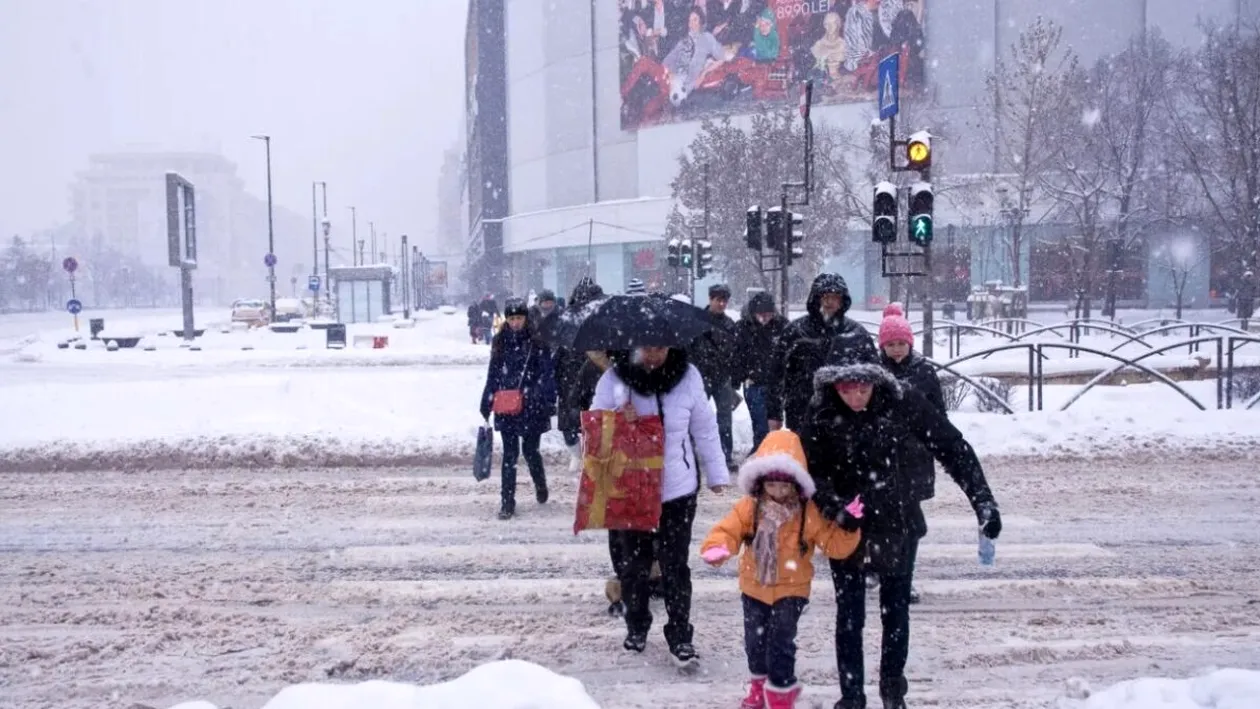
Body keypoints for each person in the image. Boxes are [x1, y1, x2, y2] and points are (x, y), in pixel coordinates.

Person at [803, 345, 1002, 709]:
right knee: (849, 614)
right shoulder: (822, 411)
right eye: (846, 388)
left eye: (863, 387)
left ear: (876, 381)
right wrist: (834, 507)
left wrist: (983, 501)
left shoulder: (901, 401)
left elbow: (952, 447)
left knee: (895, 610)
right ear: (834, 385)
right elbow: (810, 470)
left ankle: (893, 690)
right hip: (846, 526)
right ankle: (852, 696)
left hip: (898, 519)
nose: (855, 396)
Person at [590, 343, 729, 667]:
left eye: (660, 348)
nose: (653, 355)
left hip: (678, 489)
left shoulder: (688, 376)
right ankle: (637, 625)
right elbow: (595, 430)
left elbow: (705, 428)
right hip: (633, 487)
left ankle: (680, 635)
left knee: (675, 566)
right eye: (646, 348)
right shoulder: (614, 380)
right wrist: (618, 420)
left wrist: (716, 472)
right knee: (634, 567)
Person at [700, 430, 862, 709]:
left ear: (796, 485)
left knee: (780, 642)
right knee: (755, 643)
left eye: (784, 486)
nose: (777, 492)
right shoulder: (749, 508)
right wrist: (718, 547)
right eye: (772, 485)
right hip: (753, 586)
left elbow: (833, 544)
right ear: (761, 483)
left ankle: (780, 693)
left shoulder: (807, 513)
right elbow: (727, 530)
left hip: (792, 588)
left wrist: (849, 527)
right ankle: (758, 686)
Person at [877, 302, 944, 605]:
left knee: (911, 525)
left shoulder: (924, 372)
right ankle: (883, 570)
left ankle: (904, 576)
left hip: (914, 459)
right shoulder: (874, 373)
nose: (897, 349)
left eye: (901, 343)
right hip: (881, 461)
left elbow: (938, 415)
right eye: (891, 344)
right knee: (881, 519)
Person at [767, 273, 877, 433]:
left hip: (846, 412)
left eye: (835, 296)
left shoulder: (857, 333)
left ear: (842, 300)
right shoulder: (795, 332)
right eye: (825, 296)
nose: (829, 301)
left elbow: (874, 375)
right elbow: (776, 374)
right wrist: (774, 413)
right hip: (802, 412)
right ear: (816, 298)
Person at [478, 298, 556, 520]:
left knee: (531, 451)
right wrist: (487, 400)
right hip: (506, 404)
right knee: (510, 455)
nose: (515, 323)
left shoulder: (537, 341)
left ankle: (540, 484)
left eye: (519, 318)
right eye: (511, 318)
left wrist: (547, 398)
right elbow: (493, 373)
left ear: (525, 317)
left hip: (532, 405)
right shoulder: (500, 341)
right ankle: (507, 502)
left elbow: (546, 372)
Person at [557, 277, 606, 473]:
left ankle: (591, 463)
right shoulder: (566, 325)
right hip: (570, 384)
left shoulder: (605, 325)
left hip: (596, 385)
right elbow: (559, 359)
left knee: (595, 430)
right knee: (570, 430)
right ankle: (579, 454)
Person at [690, 283, 740, 469]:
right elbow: (689, 350)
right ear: (711, 299)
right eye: (718, 300)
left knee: (725, 418)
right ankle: (691, 452)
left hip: (722, 377)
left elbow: (735, 352)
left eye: (724, 301)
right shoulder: (698, 322)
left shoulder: (729, 325)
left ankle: (725, 455)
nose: (721, 304)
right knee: (697, 417)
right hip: (701, 376)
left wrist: (734, 375)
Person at [736, 291, 789, 452]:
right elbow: (738, 354)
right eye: (761, 314)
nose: (765, 318)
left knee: (775, 422)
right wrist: (742, 374)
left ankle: (767, 450)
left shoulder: (782, 326)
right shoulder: (744, 327)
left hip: (777, 383)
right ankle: (762, 451)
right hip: (754, 383)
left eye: (768, 314)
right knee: (760, 424)